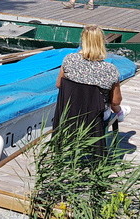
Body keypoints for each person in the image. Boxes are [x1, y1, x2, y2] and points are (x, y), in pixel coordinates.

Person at [53, 25, 125, 157]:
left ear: (83, 41)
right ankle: (121, 114)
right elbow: (116, 100)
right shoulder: (110, 69)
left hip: (69, 113)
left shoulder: (69, 60)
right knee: (113, 105)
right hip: (94, 118)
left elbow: (59, 84)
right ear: (102, 42)